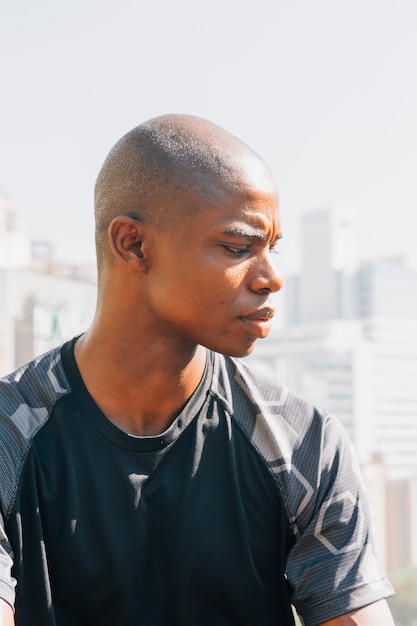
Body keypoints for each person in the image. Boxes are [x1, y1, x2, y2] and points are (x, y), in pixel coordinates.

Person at [0, 114, 395, 625]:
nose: (272, 278)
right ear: (134, 245)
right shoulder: (10, 433)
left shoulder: (303, 445)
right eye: (238, 247)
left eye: (272, 248)